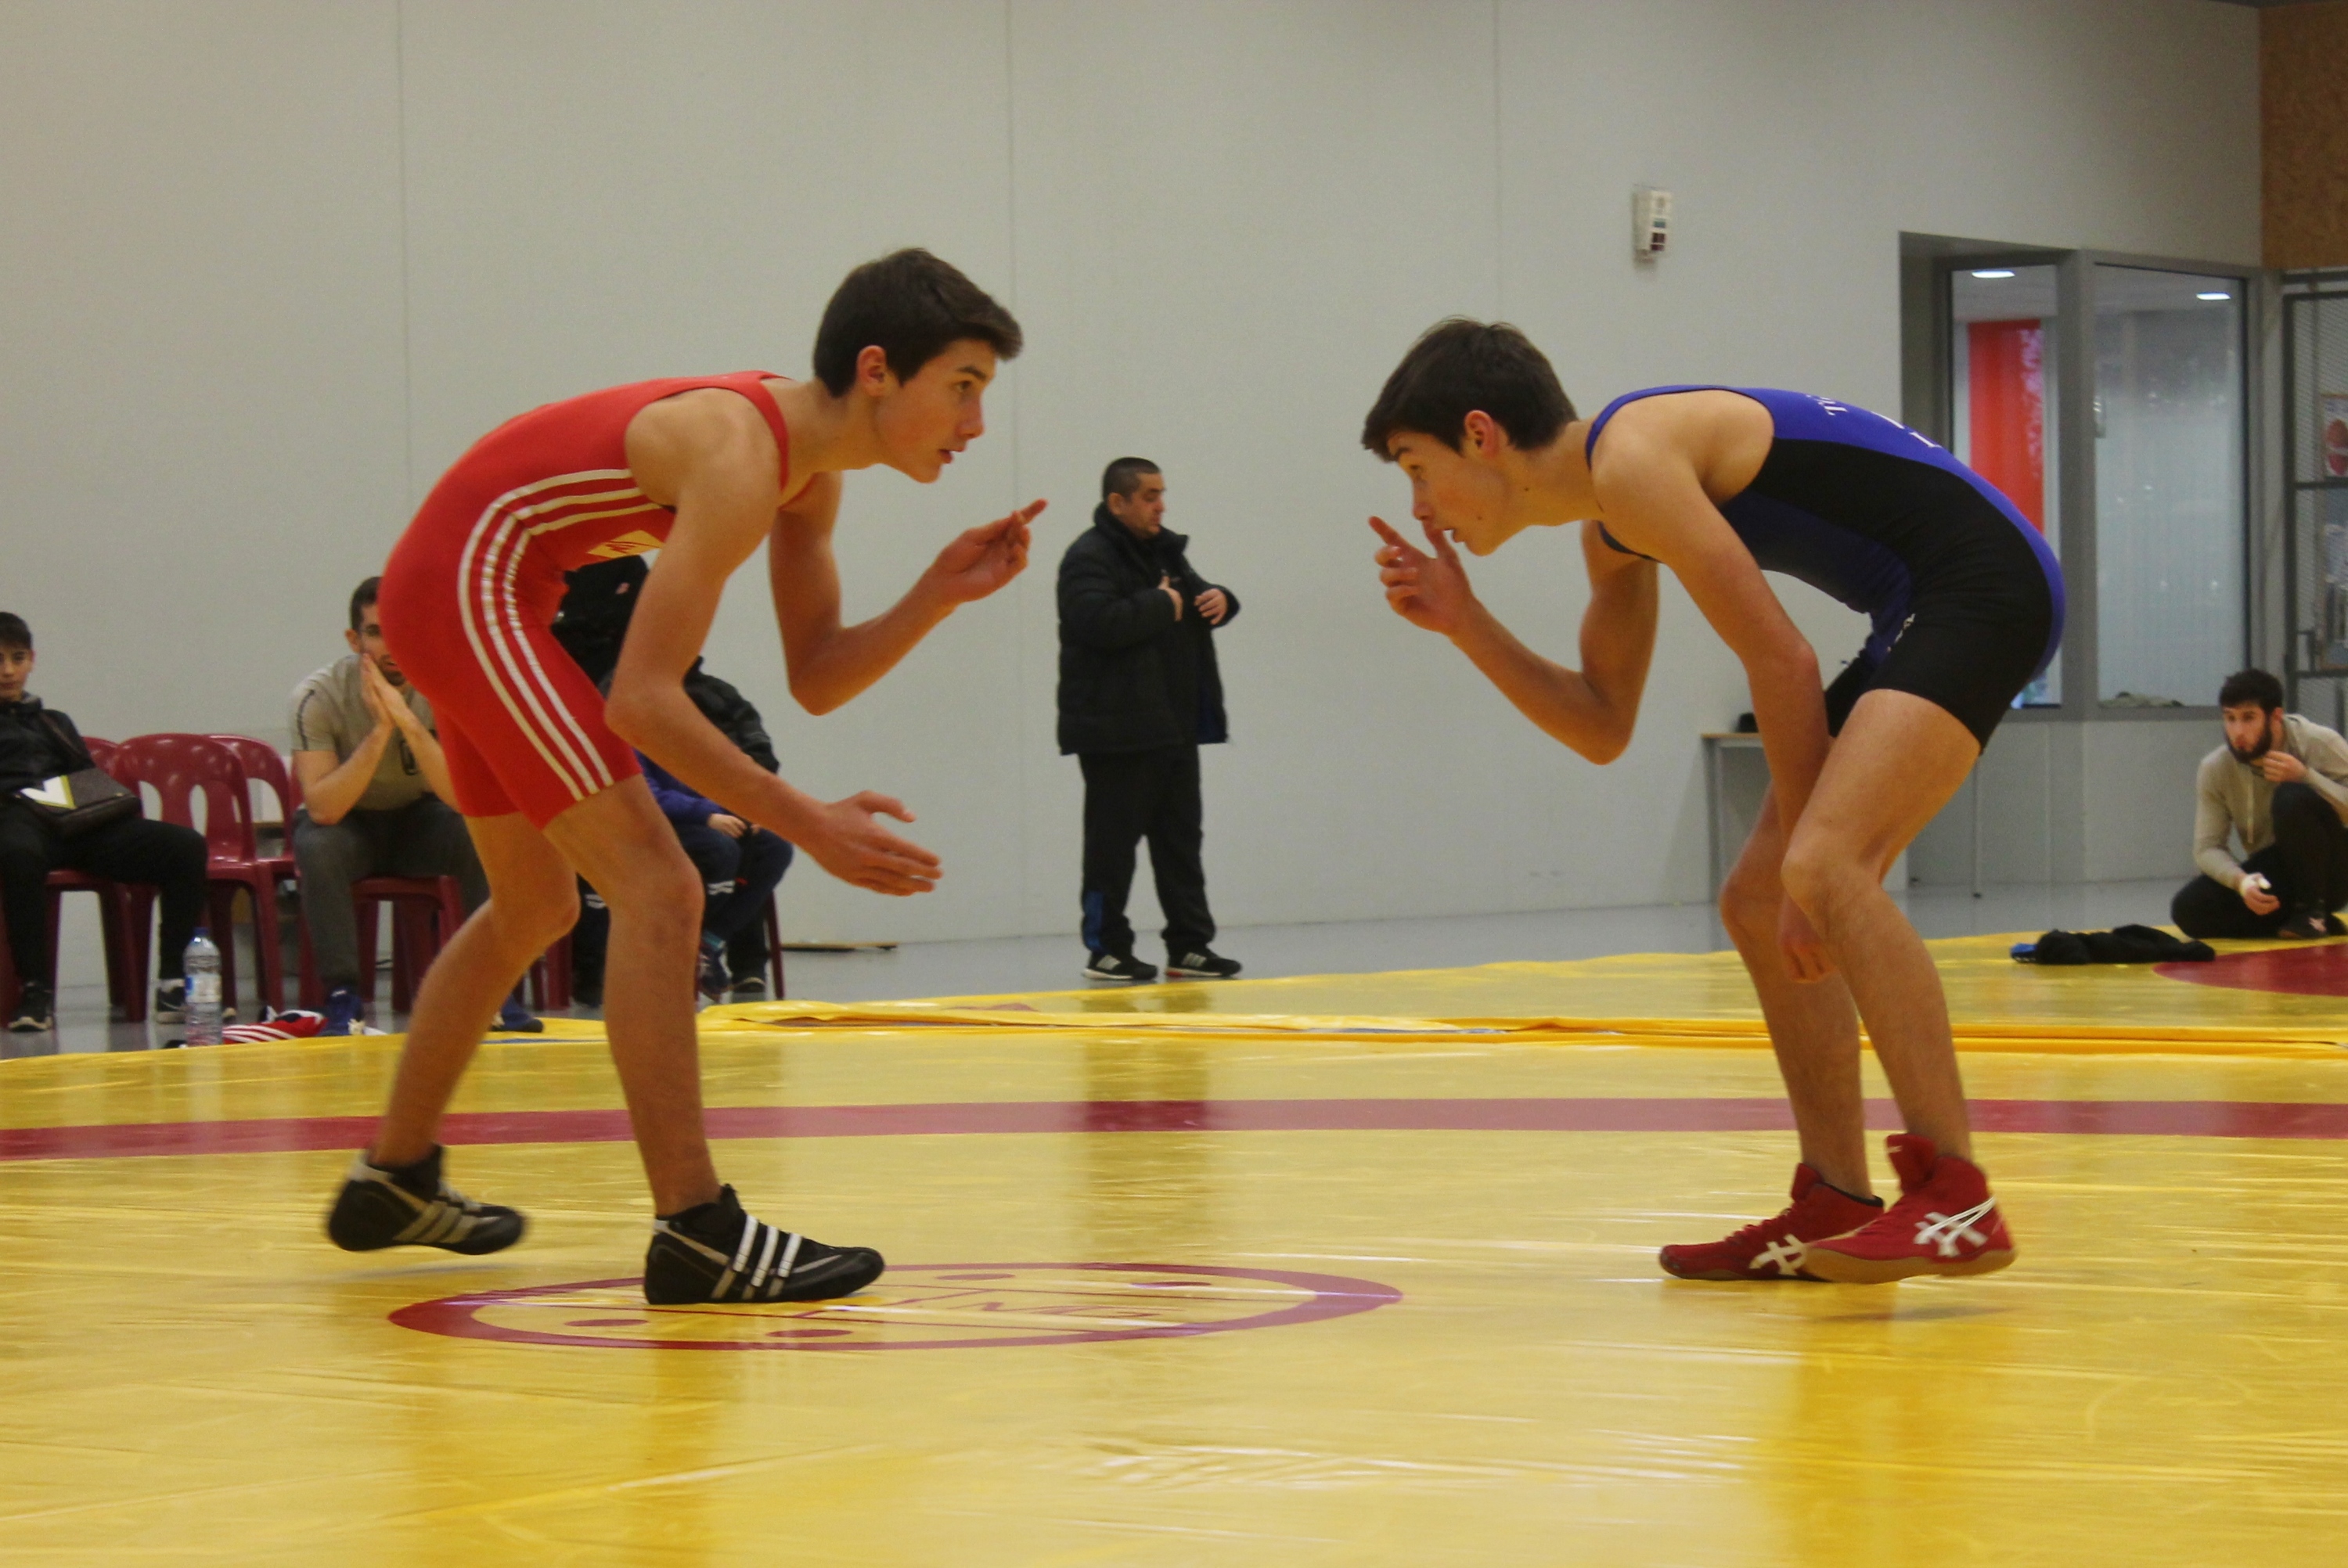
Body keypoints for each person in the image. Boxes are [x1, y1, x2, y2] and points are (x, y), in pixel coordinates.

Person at [325, 248, 1038, 1308]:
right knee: (662, 887)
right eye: (964, 387)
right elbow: (645, 702)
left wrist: (934, 595)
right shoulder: (741, 455)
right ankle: (698, 1230)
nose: (975, 425)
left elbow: (817, 676)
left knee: (535, 904)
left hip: (488, 589)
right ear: (877, 370)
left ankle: (393, 1178)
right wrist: (810, 824)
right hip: (468, 586)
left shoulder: (809, 478)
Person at [1362, 322, 2063, 1284]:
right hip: (1919, 605)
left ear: (1481, 435)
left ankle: (1959, 1198)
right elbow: (1602, 725)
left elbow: (1783, 660)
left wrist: (1812, 881)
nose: (1420, 507)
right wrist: (1466, 621)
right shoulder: (1610, 532)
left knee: (1821, 868)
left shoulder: (1635, 460)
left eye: (1417, 468)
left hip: (1987, 583)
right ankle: (1835, 1198)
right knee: (1758, 897)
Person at [290, 578, 539, 1036]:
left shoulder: (447, 688)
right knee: (317, 845)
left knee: (478, 832)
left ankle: (494, 985)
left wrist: (406, 720)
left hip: (417, 820)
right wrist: (381, 731)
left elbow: (461, 797)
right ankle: (344, 995)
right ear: (354, 640)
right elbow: (324, 808)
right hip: (349, 826)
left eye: (403, 630)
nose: (392, 646)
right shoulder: (318, 697)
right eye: (377, 632)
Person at [555, 556, 789, 1003]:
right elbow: (635, 785)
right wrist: (707, 813)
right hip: (649, 815)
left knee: (769, 844)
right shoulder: (616, 695)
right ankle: (640, 958)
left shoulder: (716, 695)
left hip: (709, 810)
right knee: (717, 849)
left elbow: (758, 757)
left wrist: (750, 804)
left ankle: (717, 950)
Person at [1055, 458, 1244, 984]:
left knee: (1180, 844)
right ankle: (1106, 949)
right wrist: (1162, 604)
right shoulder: (1087, 557)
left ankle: (1190, 946)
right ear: (1118, 503)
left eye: (1162, 494)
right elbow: (1096, 622)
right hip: (1118, 733)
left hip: (1173, 727)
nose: (1161, 505)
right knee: (1111, 849)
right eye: (1150, 496)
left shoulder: (1165, 552)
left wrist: (1223, 600)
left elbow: (1195, 600)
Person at [0, 612, 208, 1033]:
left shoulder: (54, 721)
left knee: (185, 846)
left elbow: (86, 780)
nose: (7, 671)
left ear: (32, 661)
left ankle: (173, 985)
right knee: (18, 854)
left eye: (17, 658)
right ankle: (36, 991)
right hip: (15, 819)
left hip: (73, 821)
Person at [2171, 668, 2348, 940]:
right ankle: (2299, 919)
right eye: (2230, 718)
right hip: (2278, 868)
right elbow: (2207, 848)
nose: (2238, 732)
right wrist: (2241, 882)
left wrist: (2306, 777)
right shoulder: (2216, 768)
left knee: (2291, 797)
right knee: (2189, 909)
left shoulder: (2318, 742)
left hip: (2334, 870)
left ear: (2275, 716)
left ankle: (2313, 912)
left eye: (2248, 718)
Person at [636, 749, 795, 1000]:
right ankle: (688, 945)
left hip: (707, 818)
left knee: (774, 848)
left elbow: (722, 780)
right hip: (659, 826)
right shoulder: (631, 737)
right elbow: (645, 794)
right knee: (721, 851)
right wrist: (707, 814)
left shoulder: (694, 735)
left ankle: (709, 941)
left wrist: (747, 811)